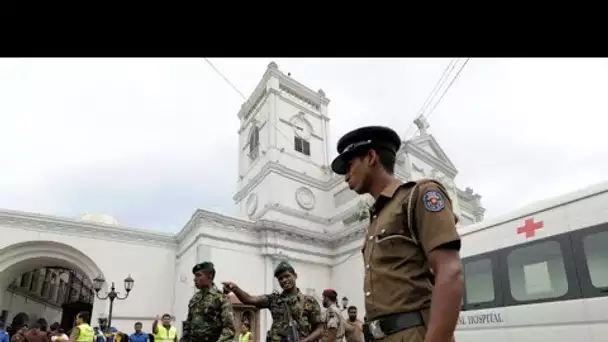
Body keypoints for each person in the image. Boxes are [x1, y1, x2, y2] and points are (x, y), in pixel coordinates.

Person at [330, 126, 464, 342]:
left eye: (349, 165)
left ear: (371, 157)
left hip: (414, 334)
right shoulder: (377, 217)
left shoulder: (419, 195)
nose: (345, 176)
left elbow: (450, 271)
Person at [223, 261, 324, 342]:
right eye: (280, 278)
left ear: (295, 276)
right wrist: (235, 288)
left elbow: (320, 329)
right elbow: (249, 299)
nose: (284, 280)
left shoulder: (309, 301)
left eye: (287, 276)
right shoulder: (273, 300)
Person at [180, 261, 235, 342]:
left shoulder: (221, 298)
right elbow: (188, 326)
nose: (194, 279)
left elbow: (229, 329)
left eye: (198, 275)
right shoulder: (194, 299)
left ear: (210, 276)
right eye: (195, 276)